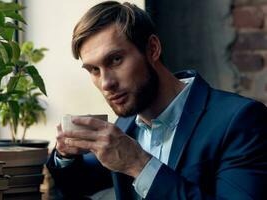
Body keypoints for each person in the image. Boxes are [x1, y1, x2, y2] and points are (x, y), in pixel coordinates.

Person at [47, 1, 267, 199]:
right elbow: (82, 183)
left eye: (115, 60)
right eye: (94, 70)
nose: (105, 83)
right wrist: (65, 154)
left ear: (152, 49)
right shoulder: (126, 124)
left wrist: (138, 165)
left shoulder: (242, 120)